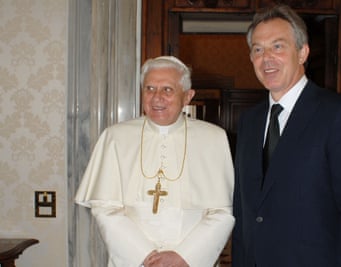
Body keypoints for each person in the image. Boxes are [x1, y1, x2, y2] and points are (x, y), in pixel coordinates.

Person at [232, 4, 341, 267]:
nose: (267, 58)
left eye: (278, 46)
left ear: (302, 52)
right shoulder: (249, 122)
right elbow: (245, 212)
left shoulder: (339, 114)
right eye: (258, 49)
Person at [75, 56, 235, 267]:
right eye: (149, 89)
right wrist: (146, 256)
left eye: (167, 90)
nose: (156, 98)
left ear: (187, 96)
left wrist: (183, 257)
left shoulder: (213, 139)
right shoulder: (115, 137)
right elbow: (104, 208)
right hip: (134, 261)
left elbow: (221, 212)